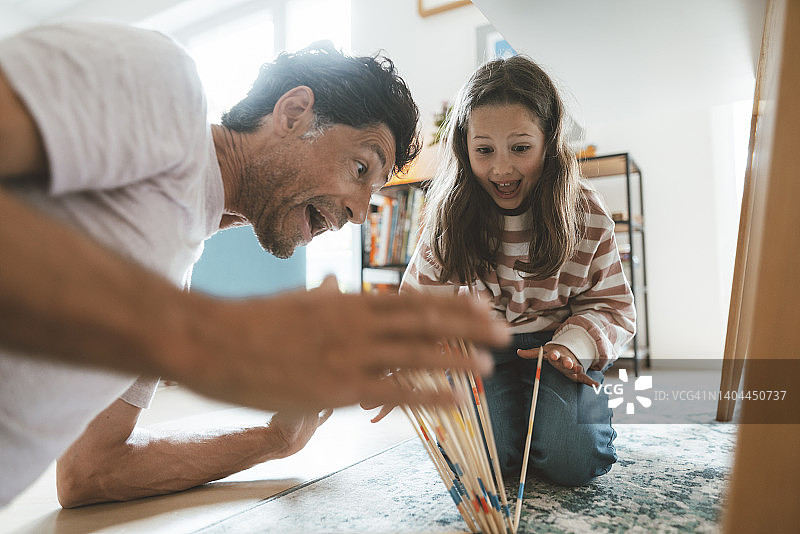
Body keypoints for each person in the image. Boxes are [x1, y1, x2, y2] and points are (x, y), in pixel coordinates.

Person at [0, 21, 509, 507]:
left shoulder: (170, 267)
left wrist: (275, 438)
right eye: (360, 167)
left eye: (371, 194)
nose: (358, 212)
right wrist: (206, 339)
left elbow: (90, 472)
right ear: (293, 112)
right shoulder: (162, 83)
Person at [396, 55, 636, 486]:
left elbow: (612, 306)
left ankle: (551, 413)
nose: (502, 169)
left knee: (571, 461)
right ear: (464, 146)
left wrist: (573, 346)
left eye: (521, 148)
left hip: (561, 353)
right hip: (481, 354)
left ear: (549, 142)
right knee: (479, 463)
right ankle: (519, 417)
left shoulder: (584, 212)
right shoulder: (451, 216)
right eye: (484, 150)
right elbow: (416, 308)